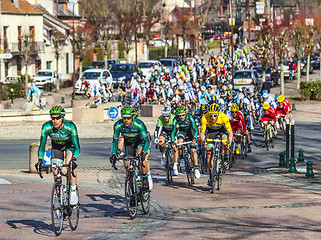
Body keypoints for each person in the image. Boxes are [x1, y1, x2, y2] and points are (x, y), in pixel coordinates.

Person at [35, 105, 80, 205]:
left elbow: (77, 147)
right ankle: (60, 202)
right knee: (56, 173)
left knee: (69, 164)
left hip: (70, 146)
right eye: (52, 118)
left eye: (58, 118)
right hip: (57, 147)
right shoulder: (46, 127)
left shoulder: (70, 126)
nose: (55, 120)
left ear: (62, 118)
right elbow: (42, 147)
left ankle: (73, 192)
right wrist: (40, 160)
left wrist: (75, 158)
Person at [110, 106, 153, 193]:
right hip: (129, 143)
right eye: (124, 118)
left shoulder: (139, 124)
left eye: (128, 118)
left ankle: (145, 178)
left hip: (140, 142)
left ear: (132, 117)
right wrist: (114, 154)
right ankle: (133, 192)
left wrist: (143, 153)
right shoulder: (118, 125)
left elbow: (146, 141)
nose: (126, 120)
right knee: (128, 168)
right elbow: (115, 141)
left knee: (140, 157)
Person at [200, 103, 233, 186]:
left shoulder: (224, 117)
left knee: (225, 143)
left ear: (218, 114)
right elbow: (202, 132)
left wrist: (229, 143)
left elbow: (230, 132)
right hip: (211, 132)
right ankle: (211, 176)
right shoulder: (205, 118)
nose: (213, 118)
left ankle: (225, 158)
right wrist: (204, 141)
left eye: (215, 116)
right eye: (211, 115)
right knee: (209, 152)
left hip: (221, 130)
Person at [171, 105, 200, 178]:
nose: (181, 117)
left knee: (193, 150)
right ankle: (181, 158)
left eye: (183, 115)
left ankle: (196, 168)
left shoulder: (190, 117)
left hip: (191, 131)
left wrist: (195, 138)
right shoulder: (175, 119)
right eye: (179, 115)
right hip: (182, 131)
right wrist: (172, 141)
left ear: (186, 113)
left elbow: (195, 129)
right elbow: (173, 131)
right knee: (179, 142)